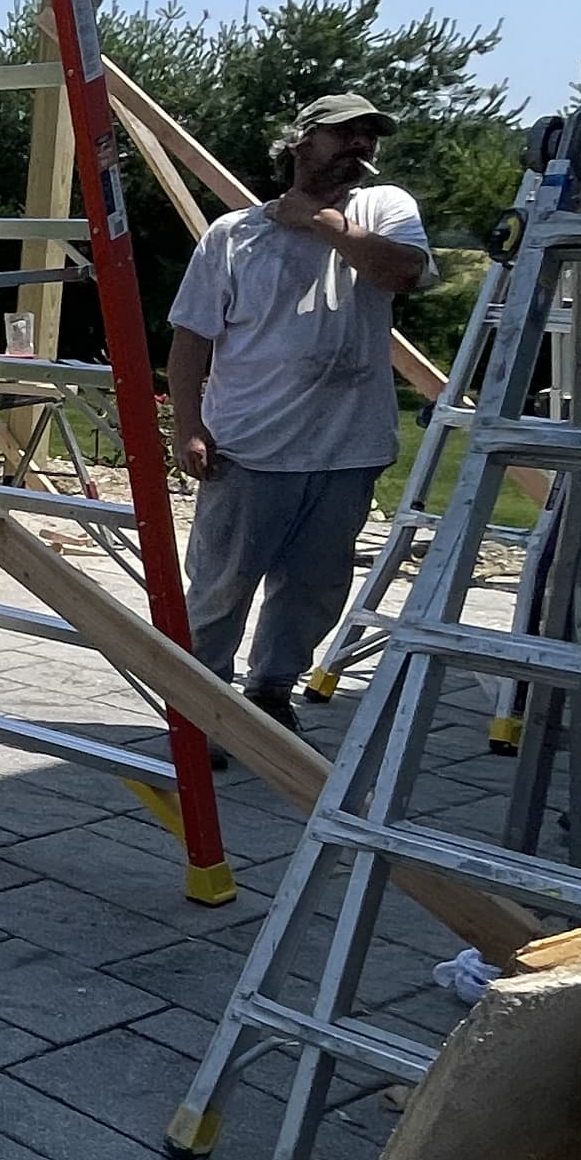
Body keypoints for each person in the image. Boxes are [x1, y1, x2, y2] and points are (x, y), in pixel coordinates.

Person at [165, 90, 430, 727]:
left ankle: (270, 699)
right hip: (249, 447)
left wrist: (324, 222)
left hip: (348, 447)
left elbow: (403, 273)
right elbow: (191, 338)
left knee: (313, 589)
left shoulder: (384, 208)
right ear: (303, 140)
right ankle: (202, 711)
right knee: (220, 587)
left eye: (370, 137)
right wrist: (188, 427)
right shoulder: (234, 237)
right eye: (347, 135)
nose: (362, 148)